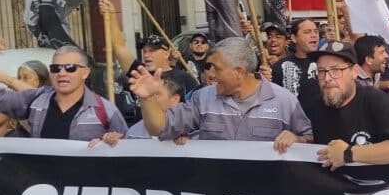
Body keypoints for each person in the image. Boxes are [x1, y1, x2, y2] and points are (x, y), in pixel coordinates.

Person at [131, 37, 313, 147]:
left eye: (217, 69)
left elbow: (310, 140)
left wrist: (297, 140)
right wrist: (146, 98)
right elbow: (160, 128)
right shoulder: (202, 98)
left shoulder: (284, 101)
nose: (211, 75)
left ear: (239, 72)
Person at [0, 39, 127, 140]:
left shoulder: (105, 110)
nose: (61, 73)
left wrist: (112, 142)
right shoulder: (35, 100)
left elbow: (131, 152)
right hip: (44, 189)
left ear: (85, 72)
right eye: (55, 68)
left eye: (70, 68)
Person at [307, 41, 389, 169]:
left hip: (376, 185)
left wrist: (349, 153)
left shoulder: (374, 100)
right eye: (321, 71)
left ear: (354, 72)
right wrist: (297, 140)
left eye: (335, 70)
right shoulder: (316, 105)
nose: (327, 78)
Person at [98, 0, 199, 123]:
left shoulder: (185, 78)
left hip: (170, 137)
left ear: (166, 53)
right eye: (145, 51)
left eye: (152, 51)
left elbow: (196, 112)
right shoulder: (140, 73)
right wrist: (111, 17)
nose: (146, 55)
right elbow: (119, 47)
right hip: (141, 137)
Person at [96, 69, 191, 145]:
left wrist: (190, 141)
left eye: (155, 94)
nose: (149, 99)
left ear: (175, 99)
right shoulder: (134, 132)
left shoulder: (192, 130)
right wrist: (113, 142)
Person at [271, 18, 321, 122]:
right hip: (293, 128)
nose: (314, 35)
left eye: (316, 31)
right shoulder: (280, 66)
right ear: (294, 38)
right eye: (307, 32)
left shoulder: (326, 63)